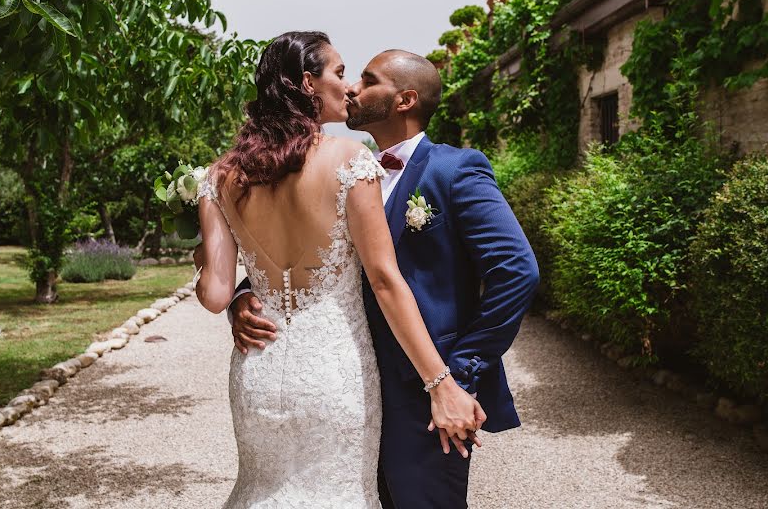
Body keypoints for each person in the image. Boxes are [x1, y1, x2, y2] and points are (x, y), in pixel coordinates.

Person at [229, 49, 540, 508]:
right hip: (346, 387)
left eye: (368, 81)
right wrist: (245, 294)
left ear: (405, 99)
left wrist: (458, 373)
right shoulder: (347, 171)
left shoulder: (455, 170)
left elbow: (516, 272)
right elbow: (308, 252)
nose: (351, 87)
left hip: (425, 393)